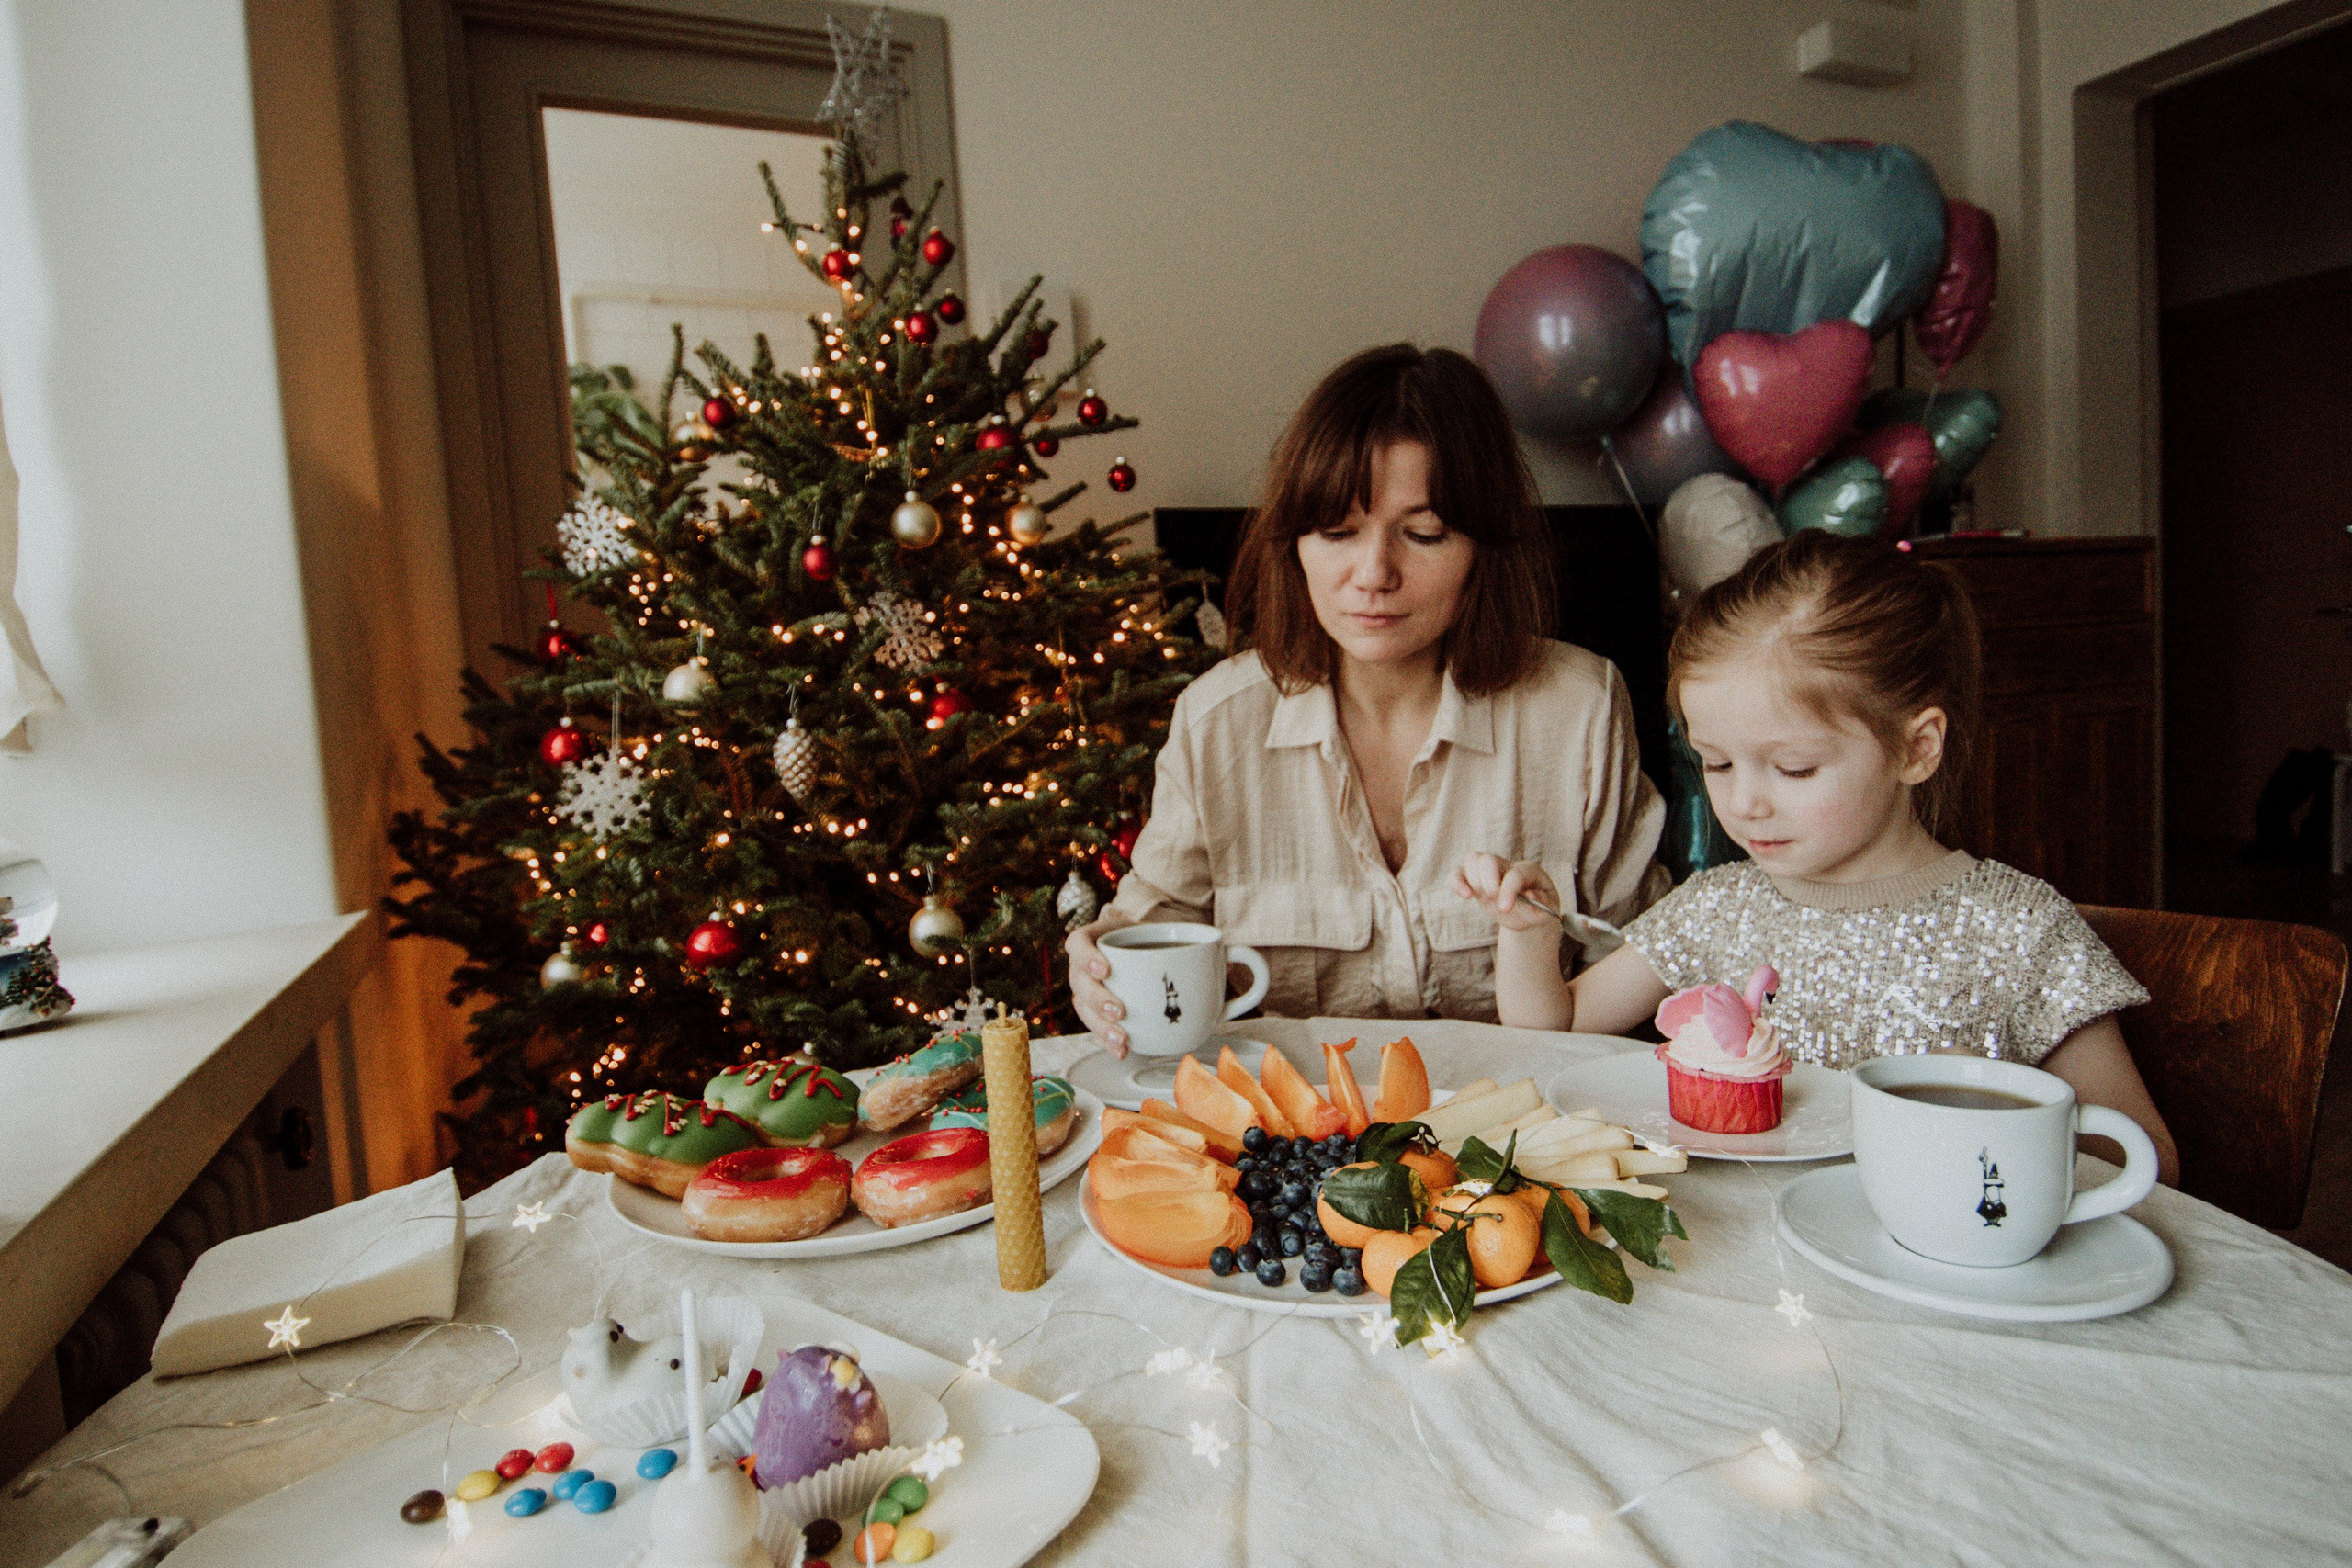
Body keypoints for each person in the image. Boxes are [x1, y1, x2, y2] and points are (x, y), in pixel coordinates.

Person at [1458, 530, 2180, 1182]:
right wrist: (1529, 933)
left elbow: (2146, 1161)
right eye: (1717, 763)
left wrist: (1999, 1137)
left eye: (1794, 768)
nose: (1745, 802)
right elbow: (1555, 1031)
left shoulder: (2020, 928)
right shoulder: (1720, 905)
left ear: (1916, 748)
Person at [1068, 343, 1668, 1056]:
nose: (1374, 573)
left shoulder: (1579, 709)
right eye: (1337, 532)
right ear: (1294, 544)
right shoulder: (1216, 721)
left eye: (1424, 533)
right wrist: (1099, 964)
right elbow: (1151, 927)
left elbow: (1646, 962)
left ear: (1484, 548)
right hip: (1294, 1118)